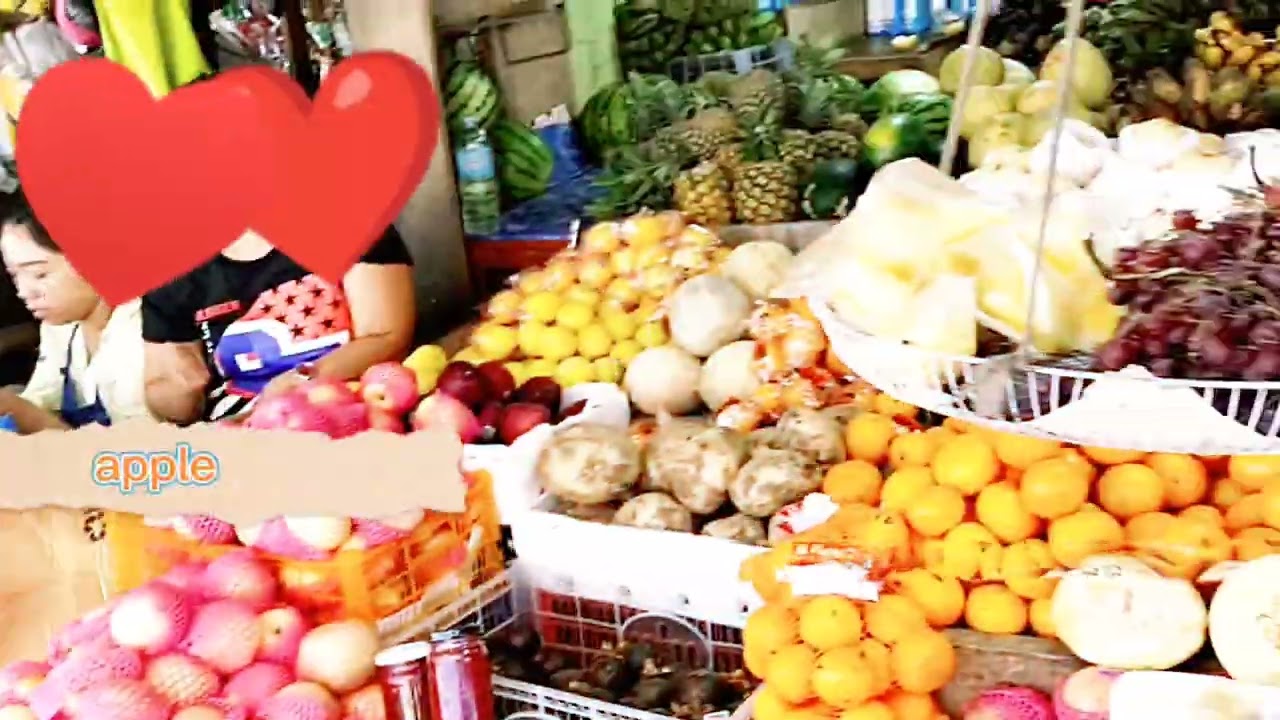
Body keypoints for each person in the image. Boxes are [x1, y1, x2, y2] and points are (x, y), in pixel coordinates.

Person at [140, 225, 416, 423]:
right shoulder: (171, 267)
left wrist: (305, 378)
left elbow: (388, 338)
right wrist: (176, 392)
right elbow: (167, 398)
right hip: (237, 448)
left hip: (348, 424)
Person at [0, 190, 151, 433]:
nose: (24, 292)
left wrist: (19, 411)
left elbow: (136, 452)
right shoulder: (59, 326)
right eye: (15, 276)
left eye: (40, 274)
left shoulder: (143, 332)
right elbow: (42, 399)